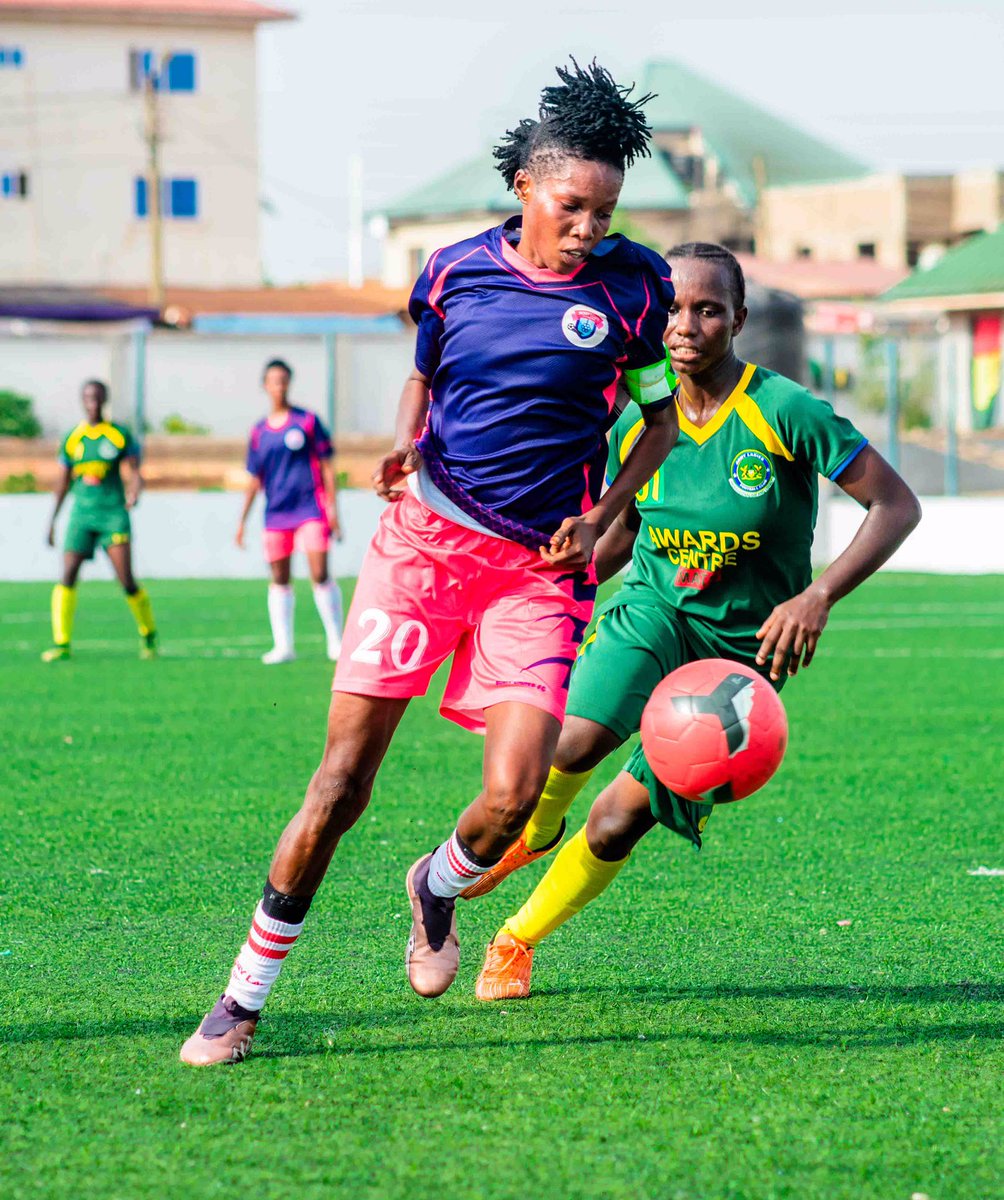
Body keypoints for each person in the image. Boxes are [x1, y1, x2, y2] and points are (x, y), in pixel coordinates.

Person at [180, 59, 679, 1066]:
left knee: (511, 797)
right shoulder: (452, 271)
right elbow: (422, 374)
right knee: (339, 782)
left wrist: (604, 516)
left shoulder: (635, 286)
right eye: (572, 207)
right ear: (524, 191)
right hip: (423, 546)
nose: (589, 227)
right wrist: (403, 444)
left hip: (539, 570)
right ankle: (241, 997)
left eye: (604, 210)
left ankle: (435, 886)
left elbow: (660, 417)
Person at [471, 242, 923, 1000]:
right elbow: (619, 535)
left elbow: (897, 505)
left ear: (738, 319)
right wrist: (562, 574)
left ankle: (516, 938)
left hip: (744, 658)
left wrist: (816, 598)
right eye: (674, 307)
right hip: (654, 609)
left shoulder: (785, 411)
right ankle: (535, 827)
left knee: (618, 822)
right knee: (575, 739)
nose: (686, 324)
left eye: (707, 309)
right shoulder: (635, 424)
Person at [42, 379, 157, 661]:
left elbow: (134, 471)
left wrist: (134, 490)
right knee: (67, 575)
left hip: (112, 514)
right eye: (88, 398)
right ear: (82, 401)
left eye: (97, 397)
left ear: (104, 400)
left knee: (126, 580)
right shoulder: (73, 438)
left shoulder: (117, 434)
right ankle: (62, 643)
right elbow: (62, 483)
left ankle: (148, 633)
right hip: (81, 515)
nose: (92, 402)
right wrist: (52, 521)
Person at [238, 358, 344, 664]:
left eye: (284, 380)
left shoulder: (308, 421)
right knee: (279, 577)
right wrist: (242, 521)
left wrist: (333, 510)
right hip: (276, 514)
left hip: (310, 509)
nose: (279, 386)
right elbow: (254, 478)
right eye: (274, 380)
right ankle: (283, 646)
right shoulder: (259, 431)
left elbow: (327, 467)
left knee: (319, 573)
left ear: (289, 383)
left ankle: (336, 643)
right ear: (265, 386)